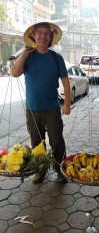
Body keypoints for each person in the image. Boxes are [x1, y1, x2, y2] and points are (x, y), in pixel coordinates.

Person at [11, 22, 71, 183]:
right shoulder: (28, 56)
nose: (43, 36)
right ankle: (40, 170)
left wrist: (67, 104)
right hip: (32, 109)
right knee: (37, 142)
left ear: (50, 37)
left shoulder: (56, 57)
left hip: (52, 108)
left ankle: (60, 170)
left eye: (46, 33)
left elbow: (65, 81)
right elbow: (15, 73)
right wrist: (24, 53)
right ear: (33, 36)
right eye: (40, 33)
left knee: (57, 140)